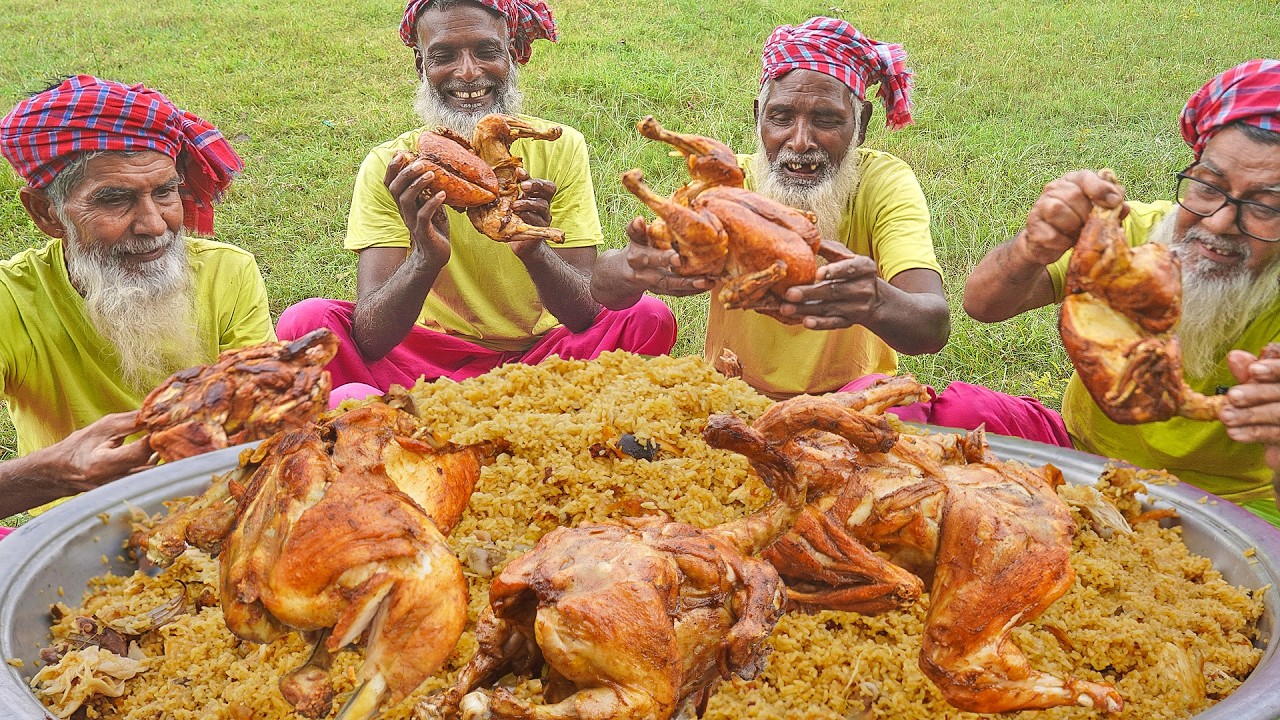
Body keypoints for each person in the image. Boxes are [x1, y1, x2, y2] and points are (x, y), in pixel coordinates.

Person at [276, 0, 676, 400]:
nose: (467, 72)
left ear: (513, 56)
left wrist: (534, 249)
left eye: (487, 52)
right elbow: (370, 339)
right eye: (443, 56)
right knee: (306, 323)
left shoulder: (559, 146)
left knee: (646, 317)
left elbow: (585, 314)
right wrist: (424, 257)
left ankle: (429, 415)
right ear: (421, 67)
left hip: (545, 357)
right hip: (429, 361)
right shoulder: (395, 167)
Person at [961, 59, 1280, 524]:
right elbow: (982, 305)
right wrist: (1032, 247)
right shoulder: (1132, 243)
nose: (1219, 222)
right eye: (1208, 188)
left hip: (1233, 504)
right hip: (1077, 454)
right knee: (928, 411)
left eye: (1264, 206)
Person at [591, 17, 950, 400]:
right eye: (781, 117)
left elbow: (932, 325)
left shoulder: (883, 182)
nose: (799, 142)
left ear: (860, 125)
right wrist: (634, 265)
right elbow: (604, 290)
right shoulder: (726, 183)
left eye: (826, 120)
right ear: (758, 116)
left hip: (855, 397)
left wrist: (875, 300)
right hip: (729, 394)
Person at [0, 75, 273, 527]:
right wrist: (52, 476)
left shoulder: (229, 272)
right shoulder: (11, 302)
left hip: (225, 508)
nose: (154, 224)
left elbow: (263, 416)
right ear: (47, 213)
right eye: (114, 199)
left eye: (165, 192)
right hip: (80, 527)